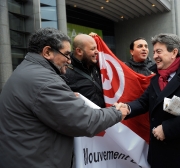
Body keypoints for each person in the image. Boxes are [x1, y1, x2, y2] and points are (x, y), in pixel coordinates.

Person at [0, 27, 129, 168]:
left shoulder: (27, 70)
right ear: (47, 52)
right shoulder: (45, 82)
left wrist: (64, 98)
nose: (69, 61)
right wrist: (117, 113)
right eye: (67, 55)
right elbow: (85, 121)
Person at [123, 33, 180, 168]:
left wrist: (167, 129)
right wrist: (126, 108)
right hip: (157, 153)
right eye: (154, 52)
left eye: (158, 52)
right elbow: (143, 102)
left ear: (174, 52)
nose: (154, 56)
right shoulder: (155, 78)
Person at [64, 34, 105, 108]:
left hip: (104, 116)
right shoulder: (65, 72)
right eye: (93, 49)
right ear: (79, 51)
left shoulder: (98, 65)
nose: (97, 52)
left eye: (96, 48)